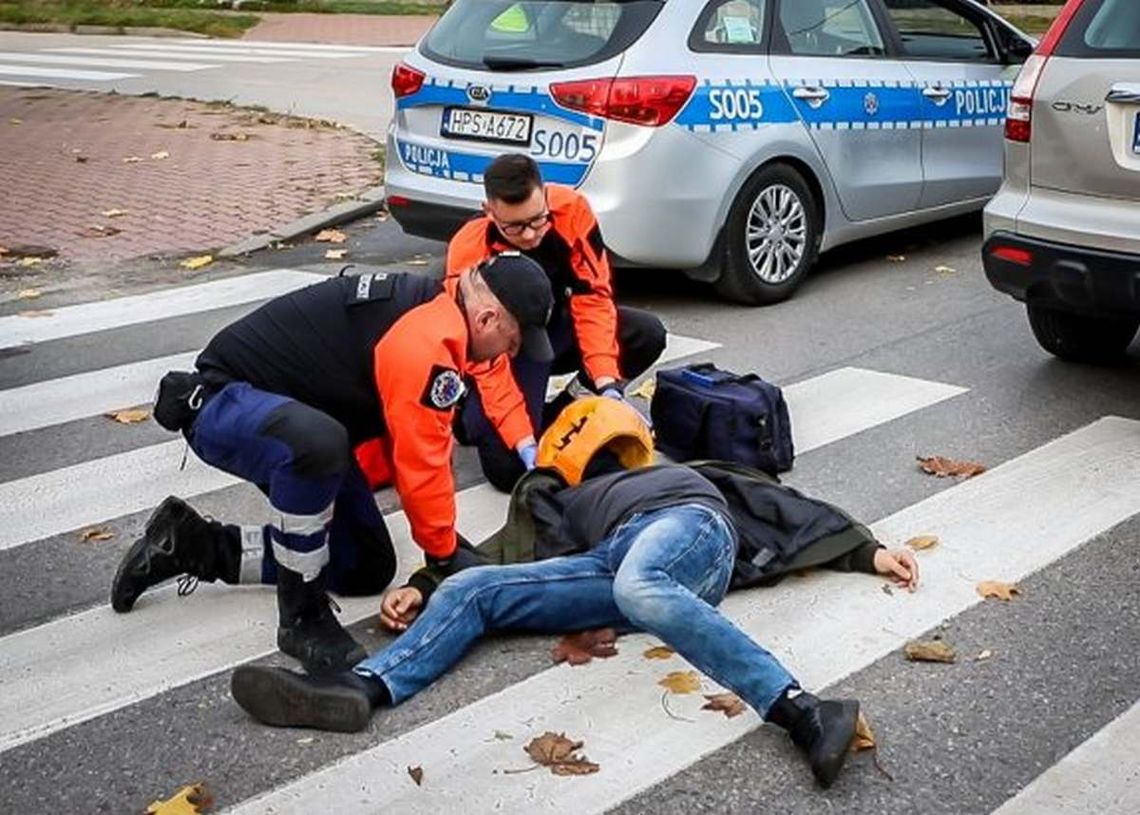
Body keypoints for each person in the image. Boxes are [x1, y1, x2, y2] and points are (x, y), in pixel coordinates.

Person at [231, 399, 919, 788]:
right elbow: (491, 555)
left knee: (639, 584)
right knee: (479, 588)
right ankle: (362, 687)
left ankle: (804, 710)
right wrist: (422, 584)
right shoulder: (556, 499)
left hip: (689, 531)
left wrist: (864, 549)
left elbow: (778, 504)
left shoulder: (679, 473)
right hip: (609, 562)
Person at [110, 255, 555, 676]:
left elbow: (414, 446)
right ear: (487, 320)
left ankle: (194, 546)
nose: (509, 355)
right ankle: (301, 618)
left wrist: (445, 545)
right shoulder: (429, 340)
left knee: (365, 566)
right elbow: (421, 459)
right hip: (222, 403)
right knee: (321, 445)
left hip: (296, 422)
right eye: (512, 343)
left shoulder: (442, 311)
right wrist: (443, 554)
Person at [446, 153, 667, 492]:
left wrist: (606, 382)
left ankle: (569, 406)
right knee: (508, 471)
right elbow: (487, 362)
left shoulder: (572, 210)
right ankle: (470, 416)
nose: (532, 234)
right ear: (489, 211)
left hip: (557, 328)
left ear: (545, 195)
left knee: (644, 334)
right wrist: (521, 439)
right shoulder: (468, 253)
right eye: (515, 227)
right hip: (509, 349)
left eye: (538, 220)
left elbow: (593, 298)